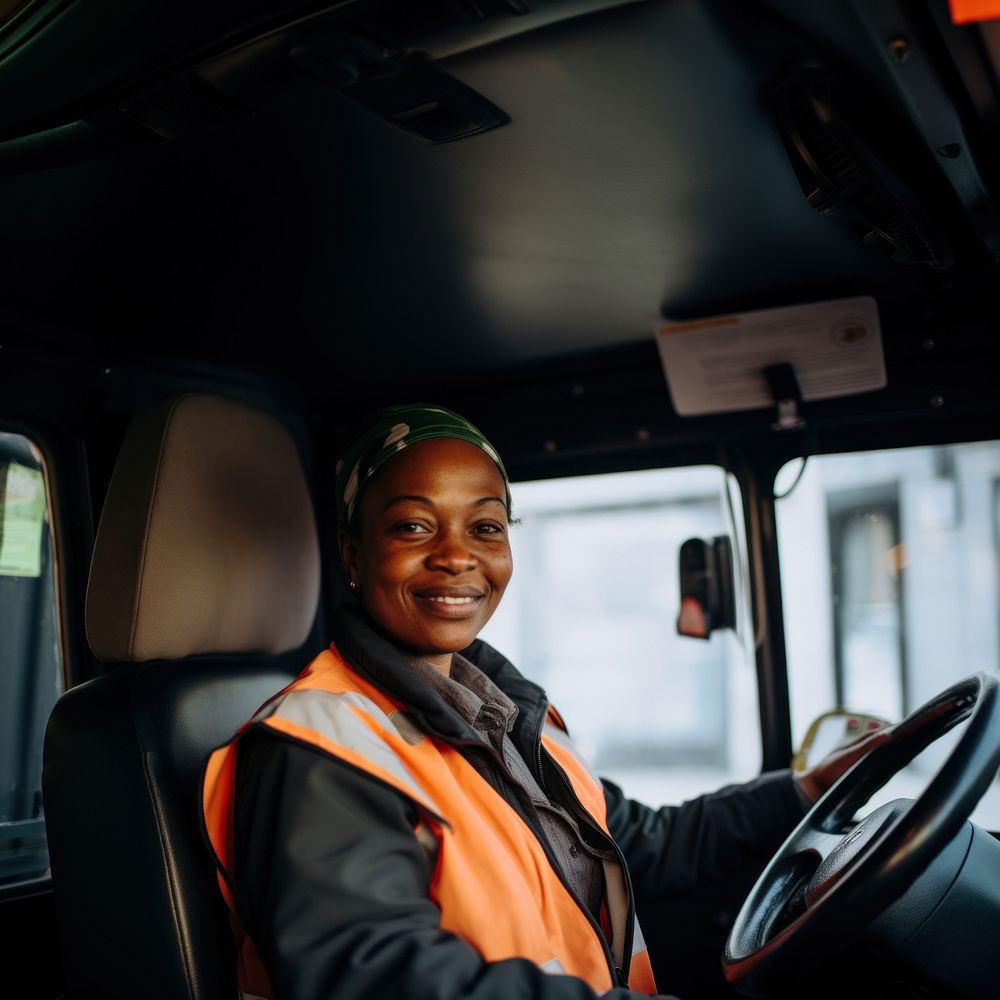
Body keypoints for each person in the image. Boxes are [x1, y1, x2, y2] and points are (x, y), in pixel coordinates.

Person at [202, 404, 886, 1000]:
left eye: (486, 527)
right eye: (414, 527)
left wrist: (800, 793)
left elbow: (635, 841)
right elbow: (387, 979)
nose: (456, 556)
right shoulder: (317, 751)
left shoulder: (501, 711)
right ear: (352, 557)